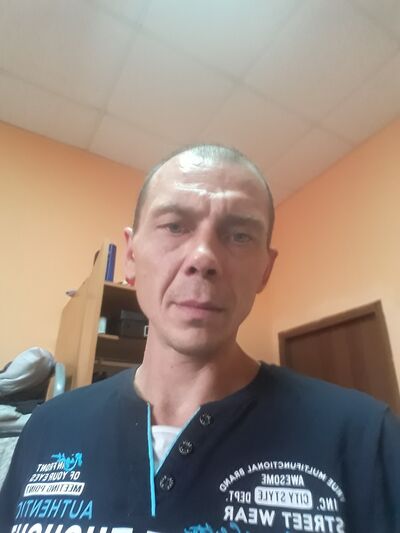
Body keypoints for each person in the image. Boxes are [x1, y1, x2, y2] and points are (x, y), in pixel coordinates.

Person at [1, 144, 399, 533]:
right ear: (132, 256)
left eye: (239, 235)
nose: (203, 257)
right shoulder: (46, 428)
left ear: (265, 270)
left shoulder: (366, 439)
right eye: (174, 226)